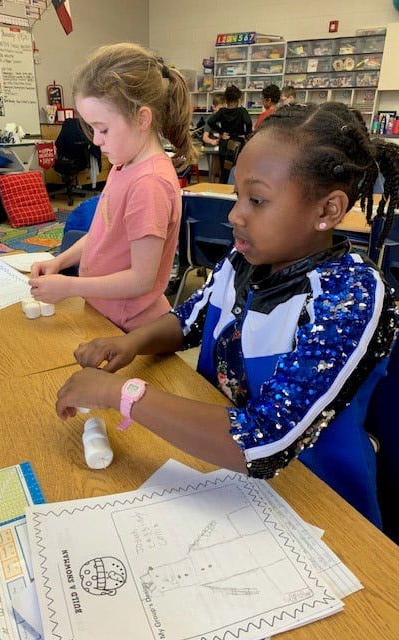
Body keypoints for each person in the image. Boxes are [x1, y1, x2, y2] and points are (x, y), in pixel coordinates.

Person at [55, 102, 399, 528]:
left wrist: (119, 394)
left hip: (313, 503)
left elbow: (264, 440)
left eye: (257, 200)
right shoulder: (243, 259)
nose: (235, 215)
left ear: (327, 210)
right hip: (220, 470)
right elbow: (189, 320)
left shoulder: (350, 295)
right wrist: (131, 342)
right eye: (237, 195)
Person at [29, 42, 196, 332]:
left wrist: (70, 286)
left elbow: (141, 280)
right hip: (105, 314)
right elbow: (101, 235)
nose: (96, 140)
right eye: (92, 128)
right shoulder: (123, 165)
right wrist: (61, 261)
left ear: (142, 118)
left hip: (130, 326)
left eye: (103, 128)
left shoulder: (149, 184)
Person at [205, 85, 252, 183]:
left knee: (224, 170)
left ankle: (223, 187)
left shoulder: (222, 111)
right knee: (236, 169)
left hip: (225, 142)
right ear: (238, 99)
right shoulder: (242, 111)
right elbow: (248, 122)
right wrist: (247, 135)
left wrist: (221, 132)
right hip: (237, 143)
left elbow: (210, 121)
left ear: (226, 99)